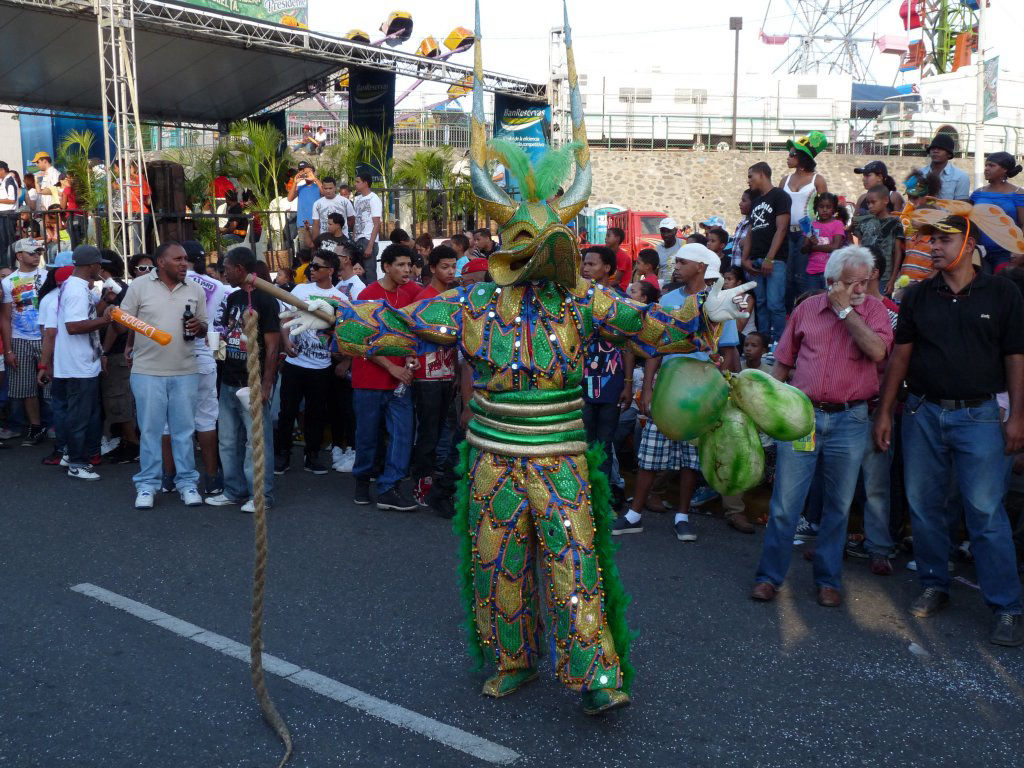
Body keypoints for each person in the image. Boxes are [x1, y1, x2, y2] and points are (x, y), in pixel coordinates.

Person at [873, 208, 1024, 646]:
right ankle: (935, 583)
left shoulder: (1002, 294)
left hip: (980, 417)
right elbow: (900, 357)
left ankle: (1007, 606)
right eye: (928, 241)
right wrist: (885, 411)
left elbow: (1017, 358)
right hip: (921, 413)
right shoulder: (918, 296)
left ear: (968, 241)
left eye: (941, 240)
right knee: (924, 505)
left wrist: (1018, 415)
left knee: (985, 512)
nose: (932, 248)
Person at [751, 245, 892, 607]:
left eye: (864, 281)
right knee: (785, 504)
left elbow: (877, 352)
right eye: (851, 283)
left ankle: (828, 579)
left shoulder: (875, 312)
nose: (860, 289)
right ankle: (769, 577)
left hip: (851, 418)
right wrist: (769, 412)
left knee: (838, 506)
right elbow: (781, 364)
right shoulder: (806, 310)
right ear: (831, 282)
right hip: (803, 418)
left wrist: (846, 310)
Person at [612, 244, 743, 540]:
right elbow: (654, 347)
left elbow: (729, 350)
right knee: (649, 454)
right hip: (668, 387)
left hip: (703, 392)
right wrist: (646, 388)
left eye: (683, 262)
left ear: (700, 266)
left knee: (690, 459)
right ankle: (635, 515)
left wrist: (727, 384)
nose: (677, 267)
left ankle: (682, 517)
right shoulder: (669, 299)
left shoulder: (719, 301)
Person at [119, 242, 207, 509]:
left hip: (186, 370)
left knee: (183, 432)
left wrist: (199, 326)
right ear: (161, 262)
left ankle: (187, 483)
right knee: (150, 431)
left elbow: (203, 328)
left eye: (186, 259)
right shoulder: (139, 286)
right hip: (147, 371)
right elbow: (123, 319)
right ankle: (147, 486)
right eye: (178, 259)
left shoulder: (195, 288)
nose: (184, 263)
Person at [206, 247, 281, 513]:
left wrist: (267, 383)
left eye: (226, 267)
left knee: (256, 442)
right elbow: (229, 333)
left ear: (240, 268)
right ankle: (234, 491)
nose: (223, 271)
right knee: (227, 440)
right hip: (229, 379)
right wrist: (217, 348)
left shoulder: (266, 300)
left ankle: (261, 496)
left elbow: (273, 345)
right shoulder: (234, 297)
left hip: (254, 381)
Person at [349, 244, 420, 511]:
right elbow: (360, 339)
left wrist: (412, 356)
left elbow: (418, 330)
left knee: (403, 433)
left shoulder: (413, 291)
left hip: (402, 380)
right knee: (367, 435)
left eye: (409, 265)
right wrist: (392, 367)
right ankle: (362, 480)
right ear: (386, 267)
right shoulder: (368, 295)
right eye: (400, 265)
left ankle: (389, 487)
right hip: (369, 379)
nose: (407, 270)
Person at [275, 249, 346, 477]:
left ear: (331, 271)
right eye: (311, 266)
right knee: (287, 412)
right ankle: (282, 454)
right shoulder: (301, 289)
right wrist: (285, 343)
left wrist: (344, 360)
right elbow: (286, 317)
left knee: (316, 413)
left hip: (322, 366)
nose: (311, 270)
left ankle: (312, 455)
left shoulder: (341, 299)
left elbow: (344, 333)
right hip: (295, 363)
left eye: (317, 267)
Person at [55, 245, 117, 481]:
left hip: (80, 362)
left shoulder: (77, 286)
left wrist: (104, 302)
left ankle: (70, 454)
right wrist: (105, 319)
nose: (100, 269)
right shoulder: (76, 290)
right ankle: (77, 462)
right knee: (80, 416)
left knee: (80, 413)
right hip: (77, 364)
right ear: (92, 266)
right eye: (98, 264)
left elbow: (85, 316)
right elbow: (74, 326)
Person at [581, 245, 633, 510]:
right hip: (582, 381)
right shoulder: (575, 299)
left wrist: (627, 383)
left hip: (611, 382)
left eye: (592, 264)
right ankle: (584, 498)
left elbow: (628, 345)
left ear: (608, 269)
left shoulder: (620, 300)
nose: (586, 268)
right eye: (584, 264)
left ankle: (603, 497)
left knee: (604, 441)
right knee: (583, 440)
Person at [410, 245, 459, 506]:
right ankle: (421, 484)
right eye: (445, 267)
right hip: (426, 374)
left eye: (454, 266)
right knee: (428, 432)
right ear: (432, 268)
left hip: (449, 372)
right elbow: (413, 334)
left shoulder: (456, 295)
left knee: (442, 431)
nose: (451, 271)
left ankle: (432, 480)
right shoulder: (424, 297)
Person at [181, 240, 228, 494]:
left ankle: (173, 476)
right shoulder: (217, 286)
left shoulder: (171, 280)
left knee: (172, 420)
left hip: (173, 356)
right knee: (207, 418)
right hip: (204, 355)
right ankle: (211, 477)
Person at [1, 238, 47, 445]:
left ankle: (57, 426)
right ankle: (36, 427)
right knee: (26, 388)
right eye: (32, 252)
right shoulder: (8, 281)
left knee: (51, 388)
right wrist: (8, 350)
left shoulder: (48, 276)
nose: (37, 255)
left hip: (46, 337)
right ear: (19, 256)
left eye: (39, 251)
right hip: (20, 339)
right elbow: (5, 317)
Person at [742, 162, 791, 343]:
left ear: (761, 174)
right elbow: (750, 231)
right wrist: (745, 259)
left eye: (750, 176)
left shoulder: (780, 196)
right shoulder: (756, 201)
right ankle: (762, 343)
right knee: (761, 304)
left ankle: (779, 344)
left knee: (775, 304)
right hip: (755, 260)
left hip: (775, 261)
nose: (749, 181)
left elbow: (782, 228)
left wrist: (770, 259)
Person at [780, 131, 829, 303]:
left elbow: (826, 209)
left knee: (802, 278)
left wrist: (813, 235)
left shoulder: (818, 180)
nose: (788, 156)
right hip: (784, 234)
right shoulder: (784, 180)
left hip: (807, 233)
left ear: (802, 157)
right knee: (786, 280)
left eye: (792, 153)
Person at [969, 151, 1024, 273]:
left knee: (1001, 285)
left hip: (1007, 253)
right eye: (986, 165)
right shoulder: (978, 193)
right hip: (979, 251)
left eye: (991, 165)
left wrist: (1020, 252)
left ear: (1004, 169)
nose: (986, 169)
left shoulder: (1018, 194)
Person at [852, 185, 905, 294]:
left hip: (884, 276)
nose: (870, 206)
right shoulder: (865, 221)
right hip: (864, 274)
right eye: (868, 203)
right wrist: (850, 229)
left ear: (885, 200)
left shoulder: (894, 222)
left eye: (873, 202)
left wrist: (893, 279)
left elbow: (898, 252)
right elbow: (859, 245)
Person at [896, 170, 942, 288]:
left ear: (927, 197)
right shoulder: (907, 211)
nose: (912, 202)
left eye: (915, 198)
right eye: (910, 197)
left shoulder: (936, 215)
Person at [803, 192, 845, 291]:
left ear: (834, 209)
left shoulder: (837, 224)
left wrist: (813, 247)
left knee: (830, 301)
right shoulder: (811, 225)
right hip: (812, 272)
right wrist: (809, 242)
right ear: (816, 208)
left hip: (831, 272)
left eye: (828, 207)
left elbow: (835, 247)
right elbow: (804, 249)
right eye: (821, 207)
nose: (824, 210)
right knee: (813, 301)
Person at [920, 133, 969, 200]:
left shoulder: (961, 177)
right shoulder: (920, 174)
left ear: (949, 154)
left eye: (940, 149)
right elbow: (912, 202)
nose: (935, 151)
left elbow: (961, 206)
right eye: (933, 148)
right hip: (922, 210)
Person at [352, 172, 383, 277]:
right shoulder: (357, 199)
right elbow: (357, 221)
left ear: (365, 183)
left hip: (368, 240)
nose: (355, 184)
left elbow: (377, 224)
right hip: (358, 240)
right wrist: (354, 238)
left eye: (357, 182)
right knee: (358, 274)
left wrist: (370, 245)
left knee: (369, 273)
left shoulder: (374, 199)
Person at [287, 161, 321, 232]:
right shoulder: (300, 187)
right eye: (305, 172)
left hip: (317, 224)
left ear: (313, 173)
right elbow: (289, 199)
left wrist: (315, 179)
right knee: (303, 243)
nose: (307, 174)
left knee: (317, 243)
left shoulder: (318, 186)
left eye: (309, 172)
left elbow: (325, 192)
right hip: (302, 224)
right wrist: (295, 183)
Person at [729, 190, 753, 269]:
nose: (740, 204)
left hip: (747, 269)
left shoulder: (754, 224)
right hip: (736, 272)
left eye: (744, 201)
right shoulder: (741, 224)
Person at [654, 217, 682, 284]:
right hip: (663, 287)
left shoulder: (683, 245)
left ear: (675, 231)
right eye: (663, 231)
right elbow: (655, 272)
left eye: (669, 231)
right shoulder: (657, 249)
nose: (665, 234)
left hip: (679, 285)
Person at [604, 226, 632, 292]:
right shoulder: (605, 253)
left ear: (617, 239)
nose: (606, 238)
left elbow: (616, 281)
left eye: (608, 236)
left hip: (619, 289)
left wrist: (601, 285)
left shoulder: (623, 257)